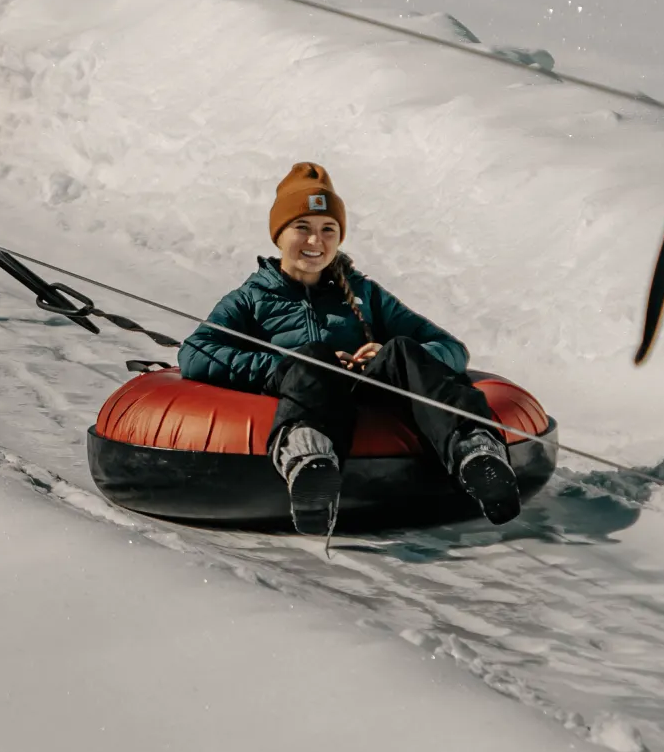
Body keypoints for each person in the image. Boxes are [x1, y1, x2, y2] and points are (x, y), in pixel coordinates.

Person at [177, 162, 521, 536]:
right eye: (302, 228)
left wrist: (387, 358)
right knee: (314, 357)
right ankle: (310, 469)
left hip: (369, 393)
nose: (315, 242)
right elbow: (196, 353)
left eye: (328, 230)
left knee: (403, 348)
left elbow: (450, 348)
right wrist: (281, 365)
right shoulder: (252, 299)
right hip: (303, 393)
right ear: (279, 235)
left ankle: (477, 456)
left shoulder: (363, 293)